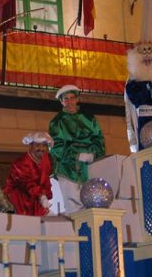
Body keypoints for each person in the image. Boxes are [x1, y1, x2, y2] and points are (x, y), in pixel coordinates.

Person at [49, 85, 105, 213]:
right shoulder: (57, 122)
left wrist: (93, 154)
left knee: (91, 205)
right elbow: (56, 147)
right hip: (68, 169)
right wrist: (76, 155)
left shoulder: (89, 118)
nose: (69, 102)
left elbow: (98, 139)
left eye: (72, 98)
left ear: (77, 99)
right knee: (73, 206)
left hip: (90, 166)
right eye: (66, 99)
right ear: (61, 102)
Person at [4, 132, 53, 216]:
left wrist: (46, 195)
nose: (41, 148)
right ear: (30, 145)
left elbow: (46, 181)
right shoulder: (20, 163)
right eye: (37, 145)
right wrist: (42, 197)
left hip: (36, 201)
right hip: (19, 201)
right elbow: (27, 184)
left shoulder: (46, 160)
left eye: (44, 145)